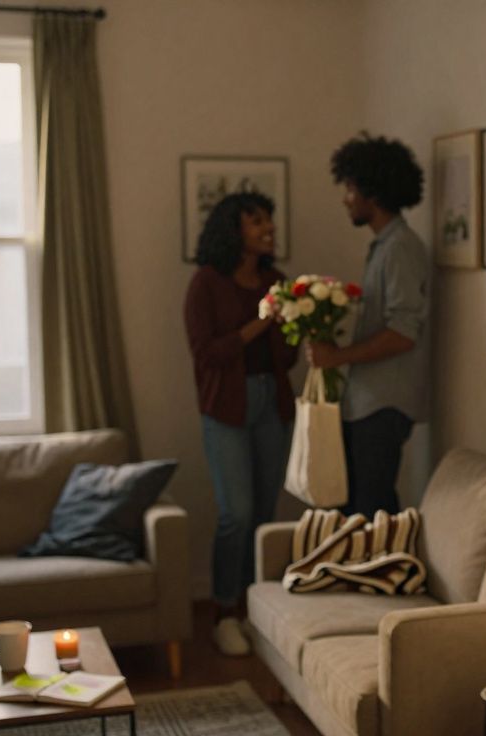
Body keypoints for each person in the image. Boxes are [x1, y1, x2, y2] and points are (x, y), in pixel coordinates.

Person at [184, 191, 298, 657]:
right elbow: (206, 354)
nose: (268, 228)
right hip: (226, 407)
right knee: (237, 514)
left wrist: (299, 323)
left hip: (272, 401)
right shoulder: (206, 284)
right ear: (234, 230)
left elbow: (287, 356)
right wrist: (260, 322)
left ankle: (255, 610)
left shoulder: (276, 280)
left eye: (268, 220)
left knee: (265, 514)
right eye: (257, 222)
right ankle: (224, 611)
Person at [308, 132, 429, 518]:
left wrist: (337, 356)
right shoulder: (383, 246)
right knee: (354, 508)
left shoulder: (400, 248)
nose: (346, 198)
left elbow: (403, 333)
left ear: (371, 193)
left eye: (350, 188)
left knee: (369, 511)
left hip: (383, 405)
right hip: (365, 402)